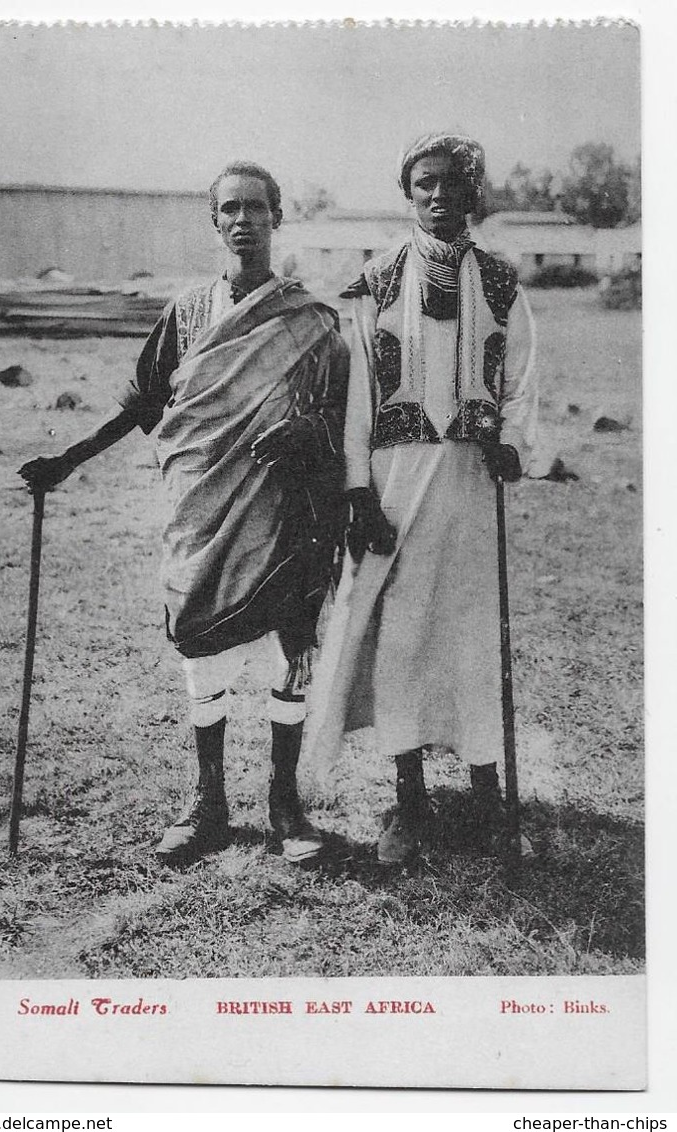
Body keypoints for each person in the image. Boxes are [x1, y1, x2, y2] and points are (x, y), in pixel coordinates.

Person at [19, 161, 349, 867]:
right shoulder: (189, 311)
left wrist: (306, 436)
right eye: (228, 208)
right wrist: (67, 460)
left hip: (286, 506)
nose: (242, 220)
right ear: (214, 221)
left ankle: (285, 808)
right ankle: (208, 805)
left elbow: (341, 420)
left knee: (293, 642)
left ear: (276, 218)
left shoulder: (312, 321)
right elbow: (143, 403)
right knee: (199, 639)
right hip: (200, 503)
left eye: (255, 207)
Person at [307, 133, 538, 864]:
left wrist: (513, 442)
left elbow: (523, 380)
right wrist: (356, 492)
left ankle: (487, 796)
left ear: (473, 194)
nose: (437, 198)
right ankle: (408, 804)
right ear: (408, 195)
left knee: (471, 635)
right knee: (400, 640)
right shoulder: (373, 284)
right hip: (393, 487)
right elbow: (356, 402)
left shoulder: (503, 284)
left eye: (451, 185)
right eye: (423, 186)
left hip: (469, 482)